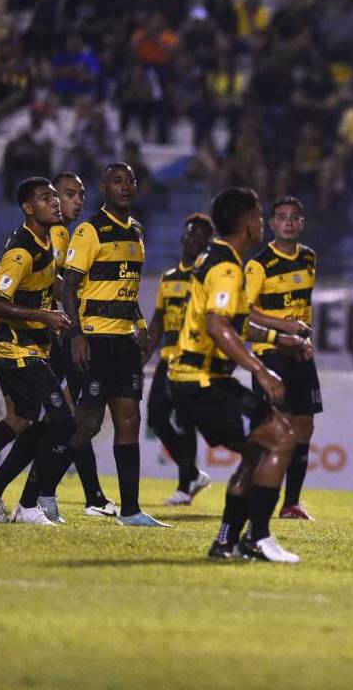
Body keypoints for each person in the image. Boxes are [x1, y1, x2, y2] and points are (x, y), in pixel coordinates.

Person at [169, 187, 312, 562]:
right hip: (201, 381)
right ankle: (258, 538)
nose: (263, 224)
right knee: (281, 439)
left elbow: (239, 325)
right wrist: (262, 370)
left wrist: (280, 340)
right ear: (249, 224)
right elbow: (218, 327)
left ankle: (227, 541)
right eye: (261, 217)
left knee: (257, 450)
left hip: (200, 379)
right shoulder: (227, 268)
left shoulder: (219, 259)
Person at [0, 178, 74, 525]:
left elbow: (49, 278)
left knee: (19, 420)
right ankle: (28, 505)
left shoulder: (48, 240)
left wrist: (67, 298)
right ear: (27, 208)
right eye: (45, 198)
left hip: (30, 345)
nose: (54, 202)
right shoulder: (20, 252)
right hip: (13, 348)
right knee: (63, 422)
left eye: (54, 196)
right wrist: (43, 314)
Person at [58, 163, 164, 526]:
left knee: (130, 419)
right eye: (118, 180)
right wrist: (76, 336)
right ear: (104, 187)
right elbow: (67, 287)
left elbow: (127, 287)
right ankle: (39, 491)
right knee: (87, 423)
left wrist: (139, 323)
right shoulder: (90, 230)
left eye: (131, 180)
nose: (126, 186)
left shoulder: (136, 230)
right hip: (95, 338)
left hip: (124, 340)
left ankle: (131, 510)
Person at [244, 196, 321, 521]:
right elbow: (244, 311)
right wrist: (284, 326)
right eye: (282, 217)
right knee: (275, 427)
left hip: (300, 353)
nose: (288, 222)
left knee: (304, 424)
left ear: (301, 223)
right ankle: (249, 492)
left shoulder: (308, 258)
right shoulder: (258, 264)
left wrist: (302, 334)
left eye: (294, 217)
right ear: (272, 224)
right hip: (272, 353)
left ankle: (291, 504)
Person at [144, 213, 215, 506]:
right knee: (156, 417)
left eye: (201, 235)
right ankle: (192, 474)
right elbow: (158, 321)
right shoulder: (169, 277)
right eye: (191, 232)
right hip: (168, 356)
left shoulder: (209, 278)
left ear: (207, 244)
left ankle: (186, 487)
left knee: (185, 422)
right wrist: (143, 354)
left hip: (194, 357)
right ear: (182, 237)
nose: (194, 238)